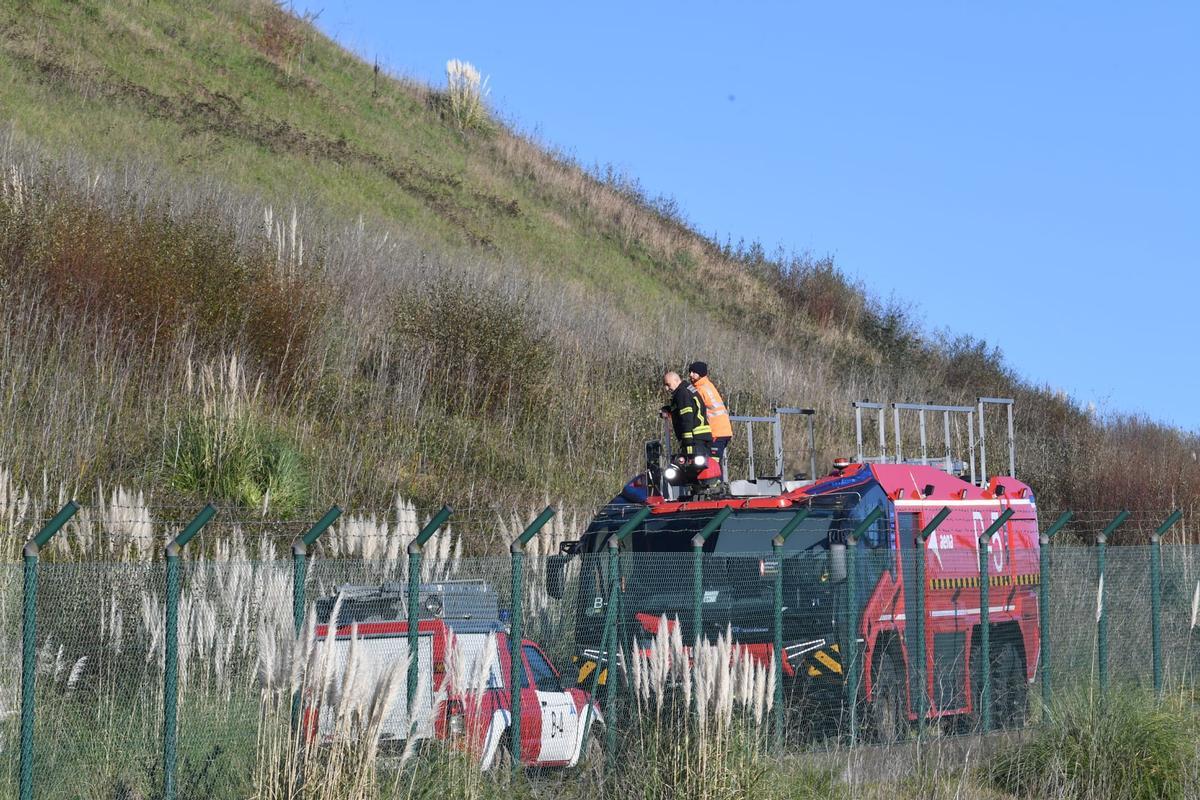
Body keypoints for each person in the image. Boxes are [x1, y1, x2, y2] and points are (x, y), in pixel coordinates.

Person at [688, 362, 732, 474]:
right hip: (721, 431)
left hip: (716, 431)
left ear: (701, 373)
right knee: (712, 463)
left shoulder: (700, 390)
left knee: (712, 464)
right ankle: (716, 482)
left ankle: (716, 483)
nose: (691, 375)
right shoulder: (707, 386)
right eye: (690, 372)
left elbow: (691, 409)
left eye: (694, 372)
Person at [660, 371, 713, 460]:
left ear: (676, 380)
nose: (666, 388)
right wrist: (669, 409)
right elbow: (685, 408)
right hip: (701, 438)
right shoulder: (687, 389)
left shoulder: (681, 393)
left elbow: (686, 418)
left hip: (694, 440)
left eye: (668, 384)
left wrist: (687, 443)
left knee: (691, 465)